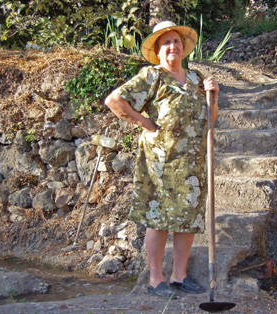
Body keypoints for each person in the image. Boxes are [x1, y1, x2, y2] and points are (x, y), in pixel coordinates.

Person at [105, 20, 219, 298]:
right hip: (160, 162)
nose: (172, 46)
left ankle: (179, 275)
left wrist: (213, 98)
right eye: (166, 42)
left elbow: (210, 122)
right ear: (157, 50)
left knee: (188, 217)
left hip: (192, 162)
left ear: (184, 47)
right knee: (158, 217)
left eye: (176, 41)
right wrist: (146, 123)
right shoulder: (152, 76)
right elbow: (114, 100)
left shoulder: (196, 78)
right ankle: (156, 278)